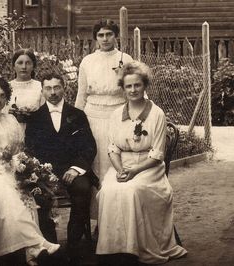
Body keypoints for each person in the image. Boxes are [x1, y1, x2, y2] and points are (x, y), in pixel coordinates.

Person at [96, 61, 187, 265]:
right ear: (123, 89)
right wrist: (120, 170)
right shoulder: (116, 114)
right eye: (128, 86)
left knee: (132, 190)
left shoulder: (157, 114)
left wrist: (135, 170)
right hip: (122, 165)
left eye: (137, 85)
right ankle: (113, 249)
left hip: (149, 167)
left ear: (145, 85)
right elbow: (112, 148)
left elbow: (157, 154)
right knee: (107, 190)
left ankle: (134, 248)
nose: (133, 90)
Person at [0, 77, 60, 266]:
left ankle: (29, 252)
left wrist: (23, 168)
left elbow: (18, 151)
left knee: (27, 195)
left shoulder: (11, 120)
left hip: (9, 169)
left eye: (3, 95)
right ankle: (36, 245)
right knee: (8, 196)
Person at [25, 73, 97, 265]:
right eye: (48, 88)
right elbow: (30, 150)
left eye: (57, 87)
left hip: (72, 169)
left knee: (83, 189)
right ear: (42, 91)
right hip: (45, 172)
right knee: (39, 195)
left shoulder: (77, 115)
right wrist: (41, 173)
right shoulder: (35, 118)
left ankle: (74, 246)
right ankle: (52, 247)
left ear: (64, 88)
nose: (53, 92)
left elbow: (89, 147)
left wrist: (75, 169)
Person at [75, 19, 133, 217]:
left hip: (118, 117)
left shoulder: (126, 60)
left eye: (109, 34)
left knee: (115, 163)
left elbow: (134, 91)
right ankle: (96, 216)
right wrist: (75, 122)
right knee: (95, 165)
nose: (105, 39)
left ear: (116, 36)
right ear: (95, 38)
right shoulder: (88, 61)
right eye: (101, 35)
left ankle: (115, 218)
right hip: (92, 118)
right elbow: (81, 94)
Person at [8, 49, 45, 130]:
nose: (24, 67)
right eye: (20, 63)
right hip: (10, 131)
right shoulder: (6, 87)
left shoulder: (40, 87)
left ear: (33, 66)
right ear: (13, 66)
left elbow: (45, 115)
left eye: (28, 63)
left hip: (34, 131)